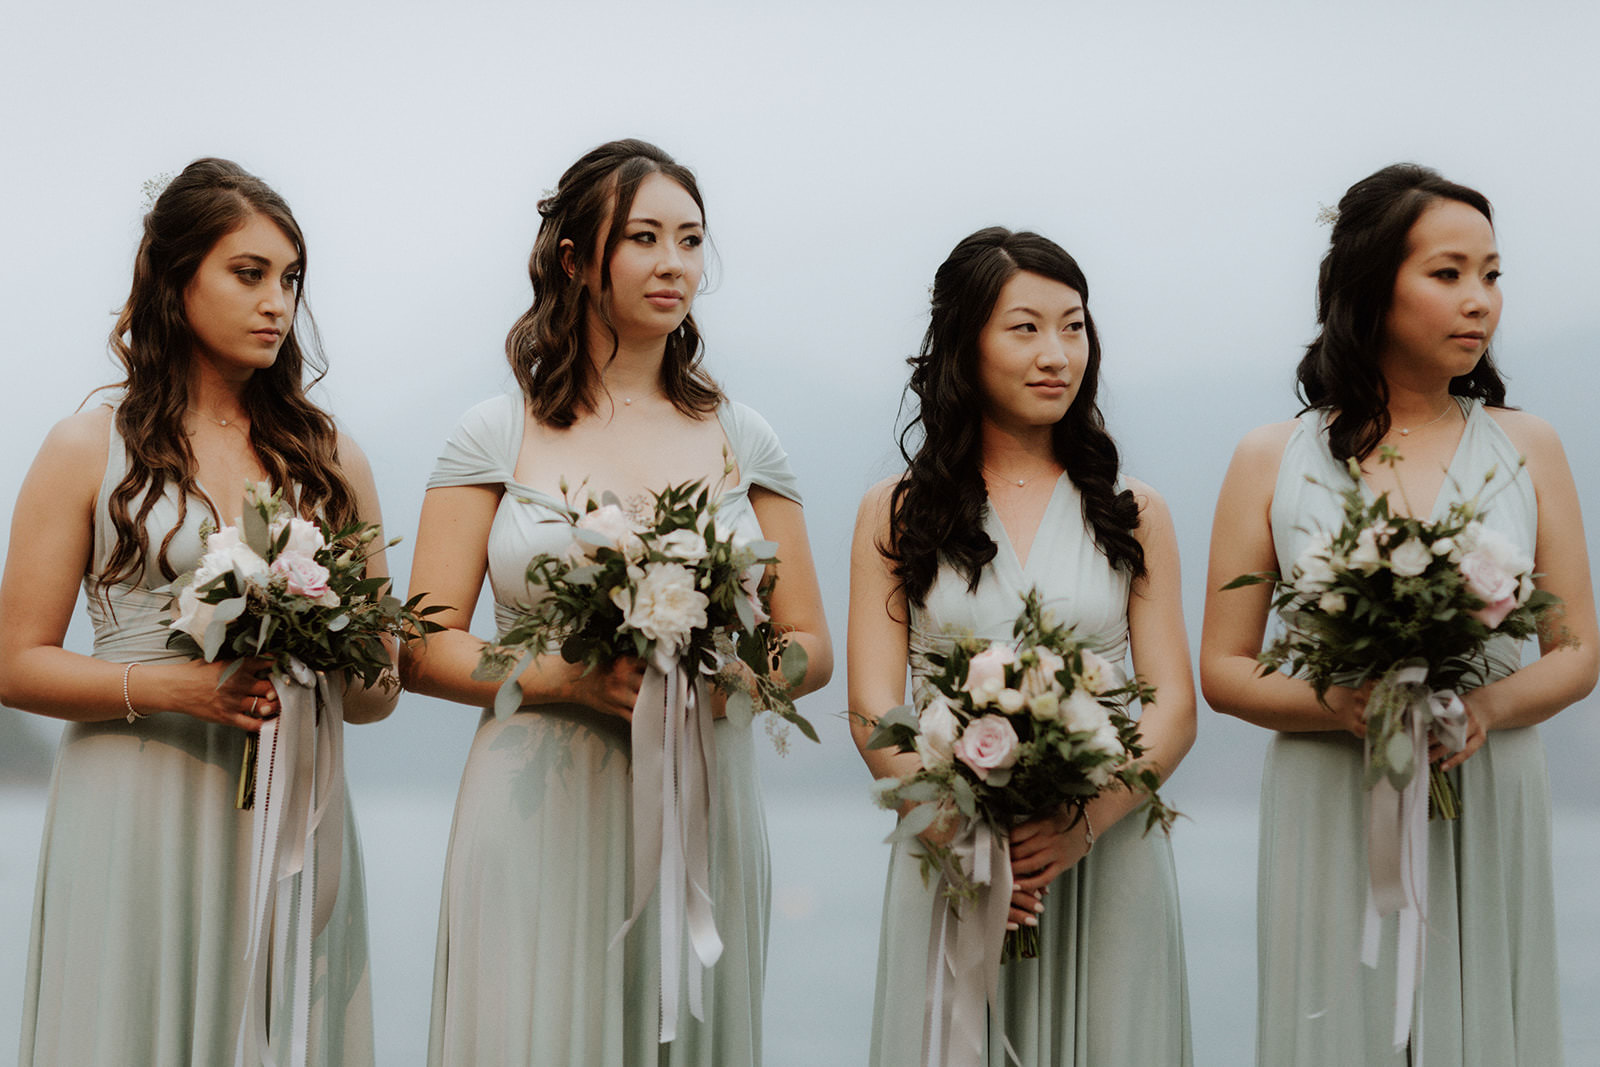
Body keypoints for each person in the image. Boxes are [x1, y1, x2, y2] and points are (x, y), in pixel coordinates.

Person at [401, 138, 832, 1067]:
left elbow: (809, 645)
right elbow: (419, 645)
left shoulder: (744, 436)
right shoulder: (496, 429)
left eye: (690, 239)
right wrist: (562, 678)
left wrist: (723, 685)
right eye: (644, 238)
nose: (675, 263)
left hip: (699, 797)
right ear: (575, 258)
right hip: (535, 799)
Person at [1200, 163, 1598, 1065]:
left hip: (1487, 784)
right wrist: (1340, 703)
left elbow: (1575, 651)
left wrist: (1484, 709)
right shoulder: (1270, 456)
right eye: (1449, 273)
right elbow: (1224, 667)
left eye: (1492, 275)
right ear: (1373, 285)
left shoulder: (1530, 444)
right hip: (1327, 790)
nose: (1480, 301)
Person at [1, 157, 390, 1066]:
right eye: (248, 274)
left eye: (290, 279)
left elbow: (378, 692)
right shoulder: (83, 448)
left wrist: (326, 640)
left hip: (293, 809)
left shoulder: (333, 461)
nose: (277, 304)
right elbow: (16, 663)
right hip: (134, 802)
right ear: (176, 280)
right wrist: (185, 687)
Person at [849, 227, 1194, 1065]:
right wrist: (956, 835)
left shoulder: (1133, 510)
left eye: (1073, 326)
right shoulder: (896, 512)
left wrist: (1083, 822)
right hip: (950, 852)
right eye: (1026, 327)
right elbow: (872, 708)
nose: (1057, 354)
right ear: (966, 346)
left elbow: (1174, 704)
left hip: (1106, 854)